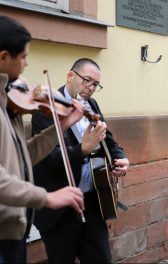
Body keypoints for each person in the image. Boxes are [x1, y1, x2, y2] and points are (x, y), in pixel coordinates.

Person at [0, 16, 85, 263]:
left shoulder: (9, 102)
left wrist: (63, 124)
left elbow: (24, 156)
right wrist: (46, 197)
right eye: (24, 57)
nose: (27, 64)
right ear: (4, 57)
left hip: (13, 227)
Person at [31, 58, 130, 263]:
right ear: (70, 76)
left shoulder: (92, 104)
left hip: (94, 203)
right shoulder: (47, 108)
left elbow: (108, 140)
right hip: (61, 208)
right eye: (87, 80)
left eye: (95, 84)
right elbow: (50, 158)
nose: (91, 87)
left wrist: (121, 157)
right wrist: (82, 149)